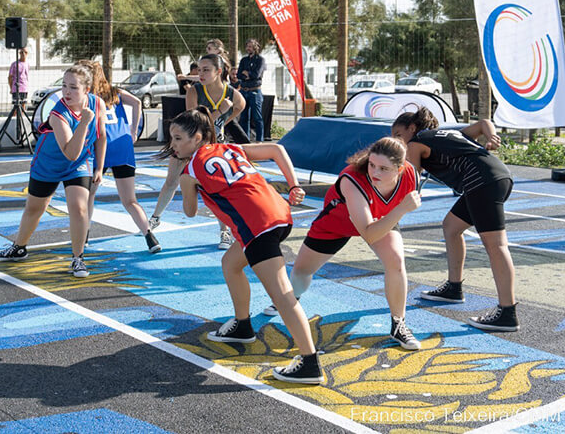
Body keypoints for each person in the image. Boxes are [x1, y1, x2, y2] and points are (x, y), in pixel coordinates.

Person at [171, 108, 323, 384]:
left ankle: (310, 362)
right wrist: (293, 185)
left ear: (197, 138)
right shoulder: (231, 148)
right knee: (230, 264)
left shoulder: (191, 169)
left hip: (257, 226)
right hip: (279, 214)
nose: (174, 145)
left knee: (282, 296)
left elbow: (190, 212)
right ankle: (242, 325)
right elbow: (277, 149)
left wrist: (185, 184)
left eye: (179, 138)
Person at [263, 137, 423, 350]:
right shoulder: (352, 179)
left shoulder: (411, 175)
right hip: (339, 222)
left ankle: (399, 324)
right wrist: (402, 209)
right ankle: (294, 296)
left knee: (395, 261)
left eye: (384, 168)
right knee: (302, 272)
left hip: (382, 219)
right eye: (372, 165)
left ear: (400, 169)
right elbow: (369, 234)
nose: (375, 172)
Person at [391, 108, 518, 331]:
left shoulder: (415, 144)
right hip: (498, 176)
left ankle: (507, 312)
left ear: (412, 128)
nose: (397, 142)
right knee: (451, 226)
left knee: (497, 246)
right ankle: (454, 288)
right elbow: (483, 122)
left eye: (398, 135)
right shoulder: (446, 134)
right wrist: (490, 136)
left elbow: (411, 179)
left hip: (482, 181)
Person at [0, 64, 107, 278]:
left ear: (87, 90)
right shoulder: (58, 114)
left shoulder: (97, 104)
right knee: (34, 208)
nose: (67, 92)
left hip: (78, 164)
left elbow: (101, 136)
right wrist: (84, 123)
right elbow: (70, 151)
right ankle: (19, 247)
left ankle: (78, 258)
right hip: (49, 163)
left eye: (73, 87)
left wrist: (99, 167)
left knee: (79, 208)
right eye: (64, 86)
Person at [149, 52, 247, 250]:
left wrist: (222, 122)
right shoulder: (195, 91)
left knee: (219, 188)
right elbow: (194, 122)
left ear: (218, 72)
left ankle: (224, 231)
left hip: (212, 147)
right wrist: (219, 113)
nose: (200, 74)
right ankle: (154, 219)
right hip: (189, 143)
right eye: (199, 70)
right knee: (171, 181)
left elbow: (240, 106)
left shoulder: (231, 94)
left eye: (206, 70)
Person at [81, 60, 161, 253]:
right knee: (130, 199)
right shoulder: (115, 92)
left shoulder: (88, 96)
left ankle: (83, 236)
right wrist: (134, 130)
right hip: (123, 144)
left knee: (89, 194)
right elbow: (137, 102)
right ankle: (150, 236)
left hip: (100, 145)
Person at [237, 38, 267, 141]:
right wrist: (247, 75)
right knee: (244, 117)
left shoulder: (260, 60)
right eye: (247, 46)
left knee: (257, 117)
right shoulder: (244, 60)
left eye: (250, 46)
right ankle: (245, 139)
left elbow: (257, 74)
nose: (248, 48)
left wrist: (248, 73)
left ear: (255, 47)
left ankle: (259, 139)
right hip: (244, 90)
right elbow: (239, 74)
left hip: (255, 91)